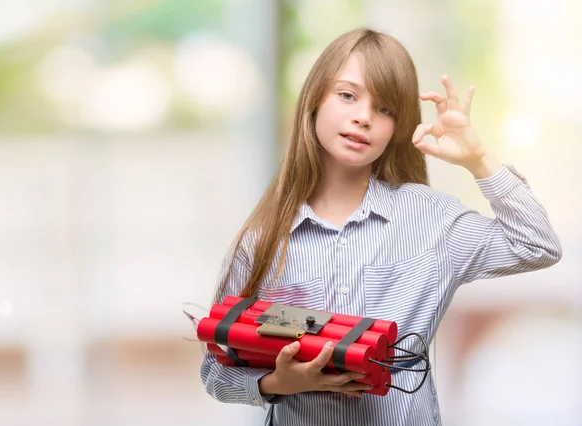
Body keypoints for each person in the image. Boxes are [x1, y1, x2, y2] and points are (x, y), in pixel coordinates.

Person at [199, 28, 562, 426]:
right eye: (348, 95)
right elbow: (216, 373)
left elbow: (538, 244)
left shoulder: (429, 218)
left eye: (385, 108)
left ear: (398, 126)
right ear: (315, 100)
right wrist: (277, 383)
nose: (363, 117)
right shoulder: (262, 241)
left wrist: (477, 159)